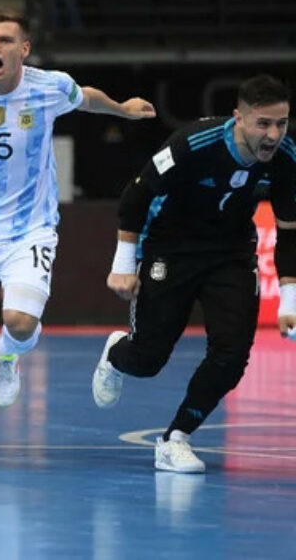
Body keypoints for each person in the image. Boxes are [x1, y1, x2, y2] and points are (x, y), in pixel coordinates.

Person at [0, 8, 155, 459]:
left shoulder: (48, 87)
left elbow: (85, 97)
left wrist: (121, 109)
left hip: (29, 227)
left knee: (20, 322)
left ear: (24, 49)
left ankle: (10, 356)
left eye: (4, 40)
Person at [94, 75, 296, 473]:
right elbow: (137, 193)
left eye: (282, 123)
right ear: (240, 118)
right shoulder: (194, 143)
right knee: (147, 360)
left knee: (233, 355)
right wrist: (121, 264)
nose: (274, 134)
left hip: (231, 253)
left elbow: (290, 231)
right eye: (264, 124)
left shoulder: (287, 156)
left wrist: (290, 300)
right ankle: (117, 354)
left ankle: (176, 438)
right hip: (171, 246)